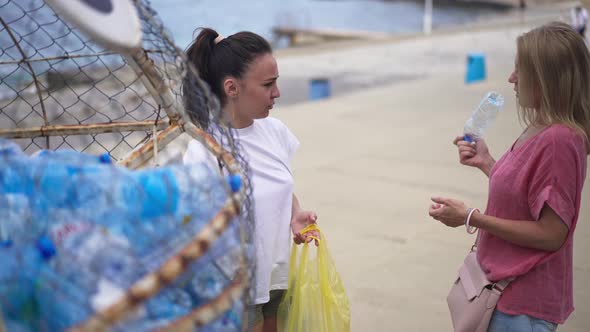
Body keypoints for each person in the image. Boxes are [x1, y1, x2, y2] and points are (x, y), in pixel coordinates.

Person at [429, 22, 589, 331]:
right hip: (505, 295)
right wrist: (488, 163)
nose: (511, 78)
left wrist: (470, 217)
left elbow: (551, 233)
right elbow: (529, 195)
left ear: (545, 80)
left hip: (522, 306)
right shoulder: (543, 127)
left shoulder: (560, 140)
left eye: (520, 70)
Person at [182, 28, 318, 332]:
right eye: (268, 84)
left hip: (279, 278)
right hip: (236, 289)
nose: (277, 93)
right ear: (232, 88)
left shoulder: (275, 131)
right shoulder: (205, 150)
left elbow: (282, 189)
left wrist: (295, 216)